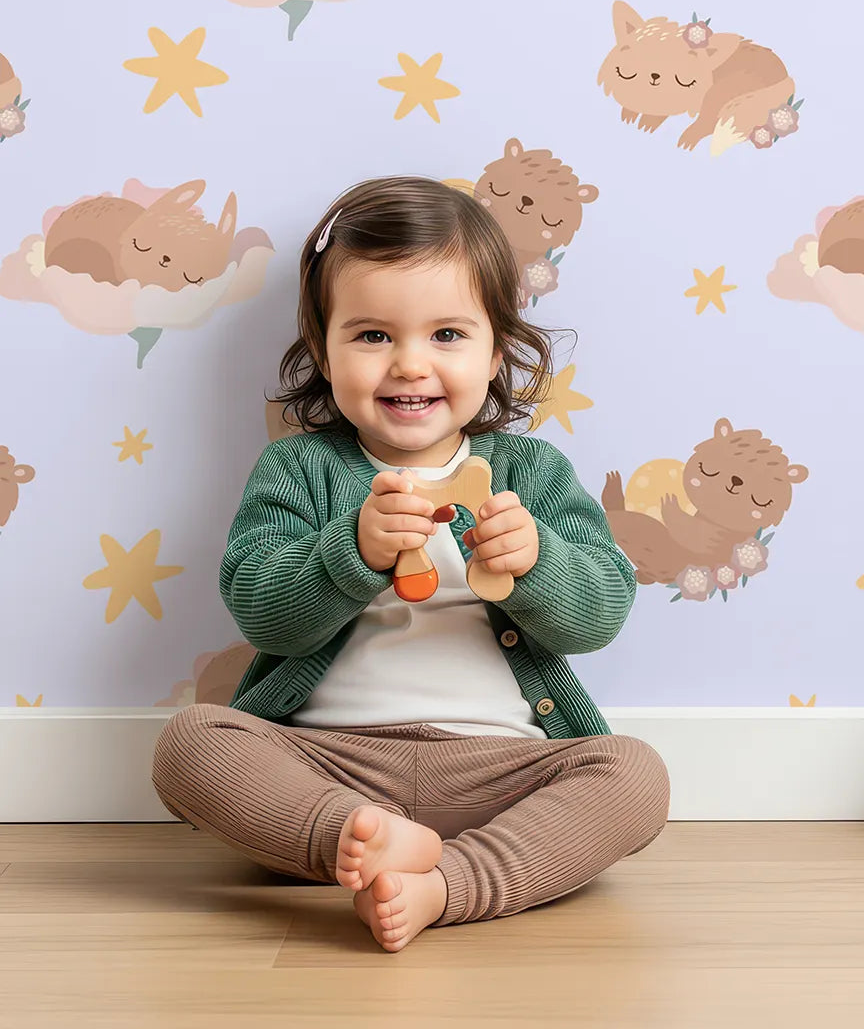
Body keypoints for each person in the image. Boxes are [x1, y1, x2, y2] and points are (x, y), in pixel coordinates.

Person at [152, 176, 668, 952]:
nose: (409, 365)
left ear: (496, 352)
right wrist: (349, 553)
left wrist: (539, 564)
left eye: (447, 335)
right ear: (323, 351)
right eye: (372, 336)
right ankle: (350, 838)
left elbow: (600, 616)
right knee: (191, 742)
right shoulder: (298, 470)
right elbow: (261, 612)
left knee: (634, 773)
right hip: (330, 764)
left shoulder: (533, 472)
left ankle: (448, 883)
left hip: (501, 771)